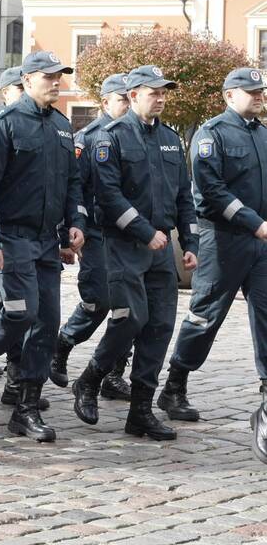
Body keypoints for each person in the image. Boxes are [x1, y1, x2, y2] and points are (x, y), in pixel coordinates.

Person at [0, 51, 85, 442]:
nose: (55, 83)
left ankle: (26, 408)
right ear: (28, 81)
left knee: (46, 323)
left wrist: (76, 224)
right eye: (48, 77)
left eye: (59, 76)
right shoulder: (5, 123)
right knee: (19, 313)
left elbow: (72, 182)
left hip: (47, 240)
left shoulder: (63, 127)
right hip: (11, 235)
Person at [71, 64, 198, 440]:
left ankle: (140, 411)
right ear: (132, 96)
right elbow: (108, 196)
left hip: (160, 249)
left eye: (163, 92)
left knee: (159, 326)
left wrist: (189, 243)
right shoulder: (111, 137)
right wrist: (144, 232)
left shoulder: (172, 140)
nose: (159, 97)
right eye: (152, 91)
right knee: (130, 318)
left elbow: (183, 196)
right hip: (123, 244)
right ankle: (90, 378)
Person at [160, 68, 267, 453]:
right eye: (250, 92)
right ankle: (175, 385)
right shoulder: (213, 134)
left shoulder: (263, 134)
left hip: (262, 244)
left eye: (260, 92)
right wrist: (254, 223)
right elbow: (210, 191)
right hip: (225, 240)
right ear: (229, 95)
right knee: (205, 315)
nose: (258, 97)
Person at [50, 74, 133, 399]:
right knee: (98, 299)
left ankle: (114, 373)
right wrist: (73, 231)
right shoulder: (87, 138)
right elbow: (74, 189)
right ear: (105, 102)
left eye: (130, 98)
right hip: (97, 231)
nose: (126, 104)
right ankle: (64, 342)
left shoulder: (138, 135)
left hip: (129, 234)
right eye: (121, 99)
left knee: (129, 308)